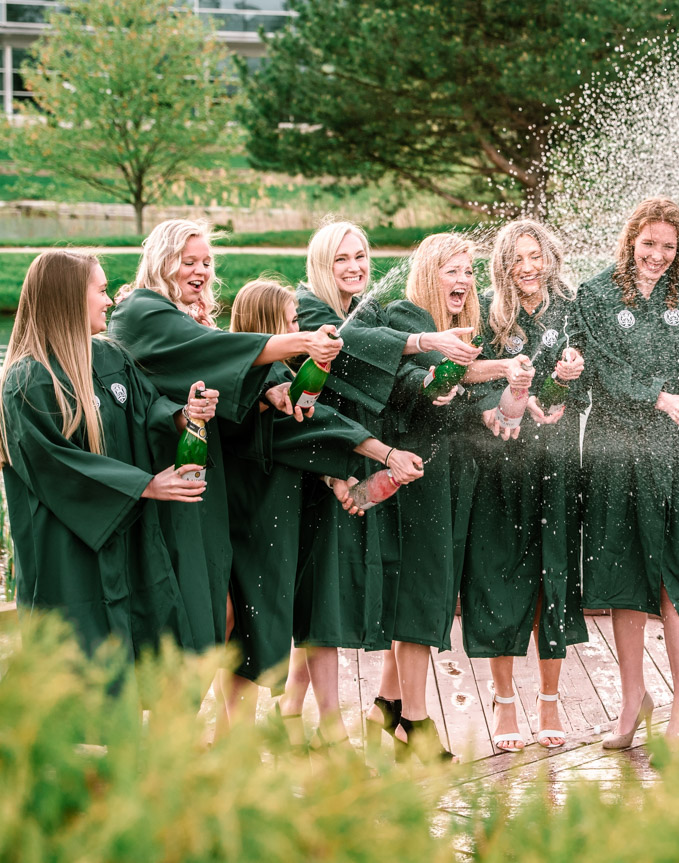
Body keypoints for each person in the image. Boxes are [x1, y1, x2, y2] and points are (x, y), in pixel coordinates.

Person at [107, 219, 340, 725]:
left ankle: (211, 736)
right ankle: (177, 737)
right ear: (161, 260)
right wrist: (300, 343)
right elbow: (219, 354)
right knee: (194, 613)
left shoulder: (181, 315)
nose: (200, 270)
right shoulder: (142, 311)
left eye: (206, 262)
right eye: (188, 261)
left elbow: (222, 370)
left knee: (219, 611)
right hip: (157, 479)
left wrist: (269, 390)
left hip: (197, 480)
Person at [344, 232, 525, 762]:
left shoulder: (460, 331)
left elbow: (461, 389)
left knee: (429, 588)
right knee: (422, 595)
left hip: (450, 473)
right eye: (452, 269)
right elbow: (406, 380)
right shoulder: (403, 317)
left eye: (469, 271)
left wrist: (494, 395)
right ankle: (416, 727)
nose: (464, 279)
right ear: (427, 272)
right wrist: (435, 382)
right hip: (414, 474)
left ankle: (385, 703)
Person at [0, 249, 215, 660]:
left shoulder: (110, 358)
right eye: (103, 290)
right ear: (69, 297)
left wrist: (185, 415)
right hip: (68, 554)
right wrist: (144, 485)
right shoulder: (29, 381)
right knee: (81, 671)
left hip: (125, 542)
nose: (110, 301)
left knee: (139, 658)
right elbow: (57, 465)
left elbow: (148, 417)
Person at [281, 220, 452, 748]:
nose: (355, 267)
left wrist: (433, 379)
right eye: (341, 259)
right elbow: (351, 349)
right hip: (317, 462)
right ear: (320, 265)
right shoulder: (310, 310)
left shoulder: (365, 308)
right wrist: (422, 339)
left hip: (351, 459)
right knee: (323, 588)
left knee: (327, 587)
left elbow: (386, 370)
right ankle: (313, 717)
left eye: (360, 256)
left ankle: (290, 707)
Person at [575, 197, 679, 749]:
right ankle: (631, 701)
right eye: (649, 244)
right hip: (617, 451)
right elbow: (599, 369)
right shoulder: (595, 294)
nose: (658, 256)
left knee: (676, 576)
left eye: (669, 247)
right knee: (623, 579)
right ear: (630, 241)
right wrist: (659, 397)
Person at [223, 278, 411, 738]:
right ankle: (237, 739)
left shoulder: (284, 375)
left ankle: (260, 731)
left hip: (283, 513)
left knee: (268, 625)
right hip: (252, 517)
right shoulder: (258, 380)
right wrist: (384, 454)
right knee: (246, 629)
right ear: (268, 325)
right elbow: (312, 426)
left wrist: (334, 477)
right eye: (290, 322)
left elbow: (305, 439)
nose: (297, 328)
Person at [461, 220, 588, 752]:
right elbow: (470, 380)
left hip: (555, 463)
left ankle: (551, 699)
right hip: (499, 466)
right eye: (516, 258)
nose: (527, 266)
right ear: (503, 264)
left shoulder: (570, 306)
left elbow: (586, 383)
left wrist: (570, 387)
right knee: (498, 577)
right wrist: (499, 406)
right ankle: (506, 699)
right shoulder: (486, 312)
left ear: (549, 257)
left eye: (535, 256)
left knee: (552, 574)